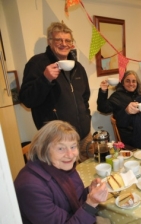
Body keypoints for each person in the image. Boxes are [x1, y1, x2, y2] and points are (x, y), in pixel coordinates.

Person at [14, 120, 109, 224]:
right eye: (60, 148)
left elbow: (73, 201)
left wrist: (89, 192)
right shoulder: (30, 187)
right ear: (44, 149)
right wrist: (91, 203)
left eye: (73, 146)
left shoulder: (59, 166)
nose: (70, 155)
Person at [19, 22, 92, 161]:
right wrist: (45, 79)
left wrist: (86, 119)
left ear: (72, 44)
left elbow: (84, 98)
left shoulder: (78, 67)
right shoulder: (37, 64)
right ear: (50, 42)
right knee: (65, 180)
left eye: (67, 40)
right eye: (59, 40)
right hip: (57, 140)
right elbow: (27, 100)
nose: (63, 44)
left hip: (83, 136)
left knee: (88, 174)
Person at [97, 70, 141, 146]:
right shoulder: (117, 96)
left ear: (137, 83)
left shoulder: (140, 96)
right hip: (127, 134)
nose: (131, 84)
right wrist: (103, 91)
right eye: (127, 81)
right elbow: (103, 108)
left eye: (134, 81)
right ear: (123, 83)